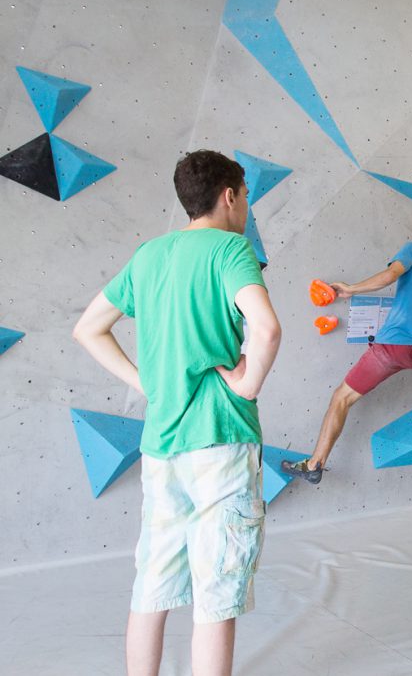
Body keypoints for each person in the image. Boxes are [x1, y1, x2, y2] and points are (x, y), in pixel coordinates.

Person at [72, 150, 282, 676]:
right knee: (218, 591)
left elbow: (88, 328)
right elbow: (268, 328)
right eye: (246, 198)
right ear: (229, 196)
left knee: (152, 587)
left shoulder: (148, 255)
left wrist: (145, 382)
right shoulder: (231, 249)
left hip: (161, 447)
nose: (247, 209)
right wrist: (246, 384)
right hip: (221, 439)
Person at [282, 213, 412, 483]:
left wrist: (351, 289)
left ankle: (314, 464)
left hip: (392, 347)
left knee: (341, 399)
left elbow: (391, 275)